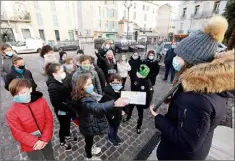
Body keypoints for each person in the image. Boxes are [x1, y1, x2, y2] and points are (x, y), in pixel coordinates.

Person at [149, 15, 232, 160]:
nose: (176, 58)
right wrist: (176, 100)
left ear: (192, 62)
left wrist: (158, 118)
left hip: (178, 155)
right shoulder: (206, 83)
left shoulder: (198, 99)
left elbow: (188, 141)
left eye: (181, 56)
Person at [71, 75, 128, 160]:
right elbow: (97, 107)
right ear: (81, 86)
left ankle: (91, 149)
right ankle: (89, 157)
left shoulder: (84, 93)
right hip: (87, 126)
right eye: (88, 84)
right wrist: (114, 104)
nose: (92, 85)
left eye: (91, 83)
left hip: (88, 122)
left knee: (90, 140)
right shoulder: (84, 101)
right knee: (88, 142)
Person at [5, 78, 54, 160]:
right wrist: (35, 142)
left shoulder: (41, 102)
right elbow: (18, 132)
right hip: (30, 145)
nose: (20, 96)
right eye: (16, 94)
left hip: (45, 139)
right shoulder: (11, 113)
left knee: (50, 156)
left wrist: (44, 139)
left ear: (30, 89)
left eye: (23, 92)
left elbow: (49, 120)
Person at [45, 63, 77, 151]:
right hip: (62, 110)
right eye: (61, 71)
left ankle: (67, 136)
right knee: (63, 125)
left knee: (67, 123)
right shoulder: (52, 86)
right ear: (54, 74)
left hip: (68, 107)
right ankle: (62, 141)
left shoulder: (61, 79)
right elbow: (55, 103)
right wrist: (67, 107)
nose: (63, 73)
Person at [100, 74, 129, 146]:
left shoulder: (123, 92)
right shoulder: (107, 94)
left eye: (118, 83)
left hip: (119, 115)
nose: (117, 85)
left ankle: (115, 135)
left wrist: (124, 111)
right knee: (112, 127)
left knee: (117, 126)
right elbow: (103, 106)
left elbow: (125, 103)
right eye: (114, 83)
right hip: (112, 116)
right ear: (110, 83)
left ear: (121, 83)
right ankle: (111, 138)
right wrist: (110, 116)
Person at [125, 64, 154, 134]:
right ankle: (128, 117)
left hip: (140, 100)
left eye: (139, 73)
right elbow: (134, 86)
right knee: (130, 108)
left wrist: (146, 105)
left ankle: (138, 127)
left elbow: (149, 96)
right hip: (134, 97)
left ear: (144, 75)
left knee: (140, 114)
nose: (137, 73)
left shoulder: (148, 83)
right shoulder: (137, 77)